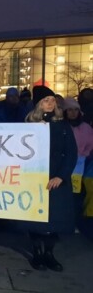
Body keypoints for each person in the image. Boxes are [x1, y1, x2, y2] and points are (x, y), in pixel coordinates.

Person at [23, 86, 77, 272]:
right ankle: (37, 252)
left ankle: (49, 253)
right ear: (38, 104)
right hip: (34, 178)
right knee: (35, 219)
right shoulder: (29, 124)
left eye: (53, 100)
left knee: (54, 218)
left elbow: (71, 153)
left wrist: (61, 176)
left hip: (56, 179)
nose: (50, 103)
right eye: (46, 100)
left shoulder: (62, 125)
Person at [62, 97, 93, 230]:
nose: (73, 113)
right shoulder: (62, 126)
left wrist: (84, 155)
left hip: (81, 166)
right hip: (64, 164)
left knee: (77, 195)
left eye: (76, 110)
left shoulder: (86, 128)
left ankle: (74, 221)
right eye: (70, 110)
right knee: (64, 193)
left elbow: (90, 145)